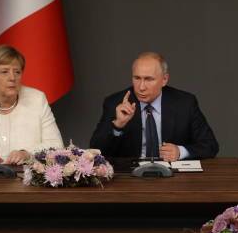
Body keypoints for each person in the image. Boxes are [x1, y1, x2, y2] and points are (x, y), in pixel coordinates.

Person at [90, 52, 219, 161]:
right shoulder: (115, 102)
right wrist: (117, 125)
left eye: (149, 79)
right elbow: (95, 152)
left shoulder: (185, 103)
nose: (141, 87)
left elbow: (210, 146)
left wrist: (180, 152)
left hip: (172, 177)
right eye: (137, 78)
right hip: (130, 179)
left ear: (164, 79)